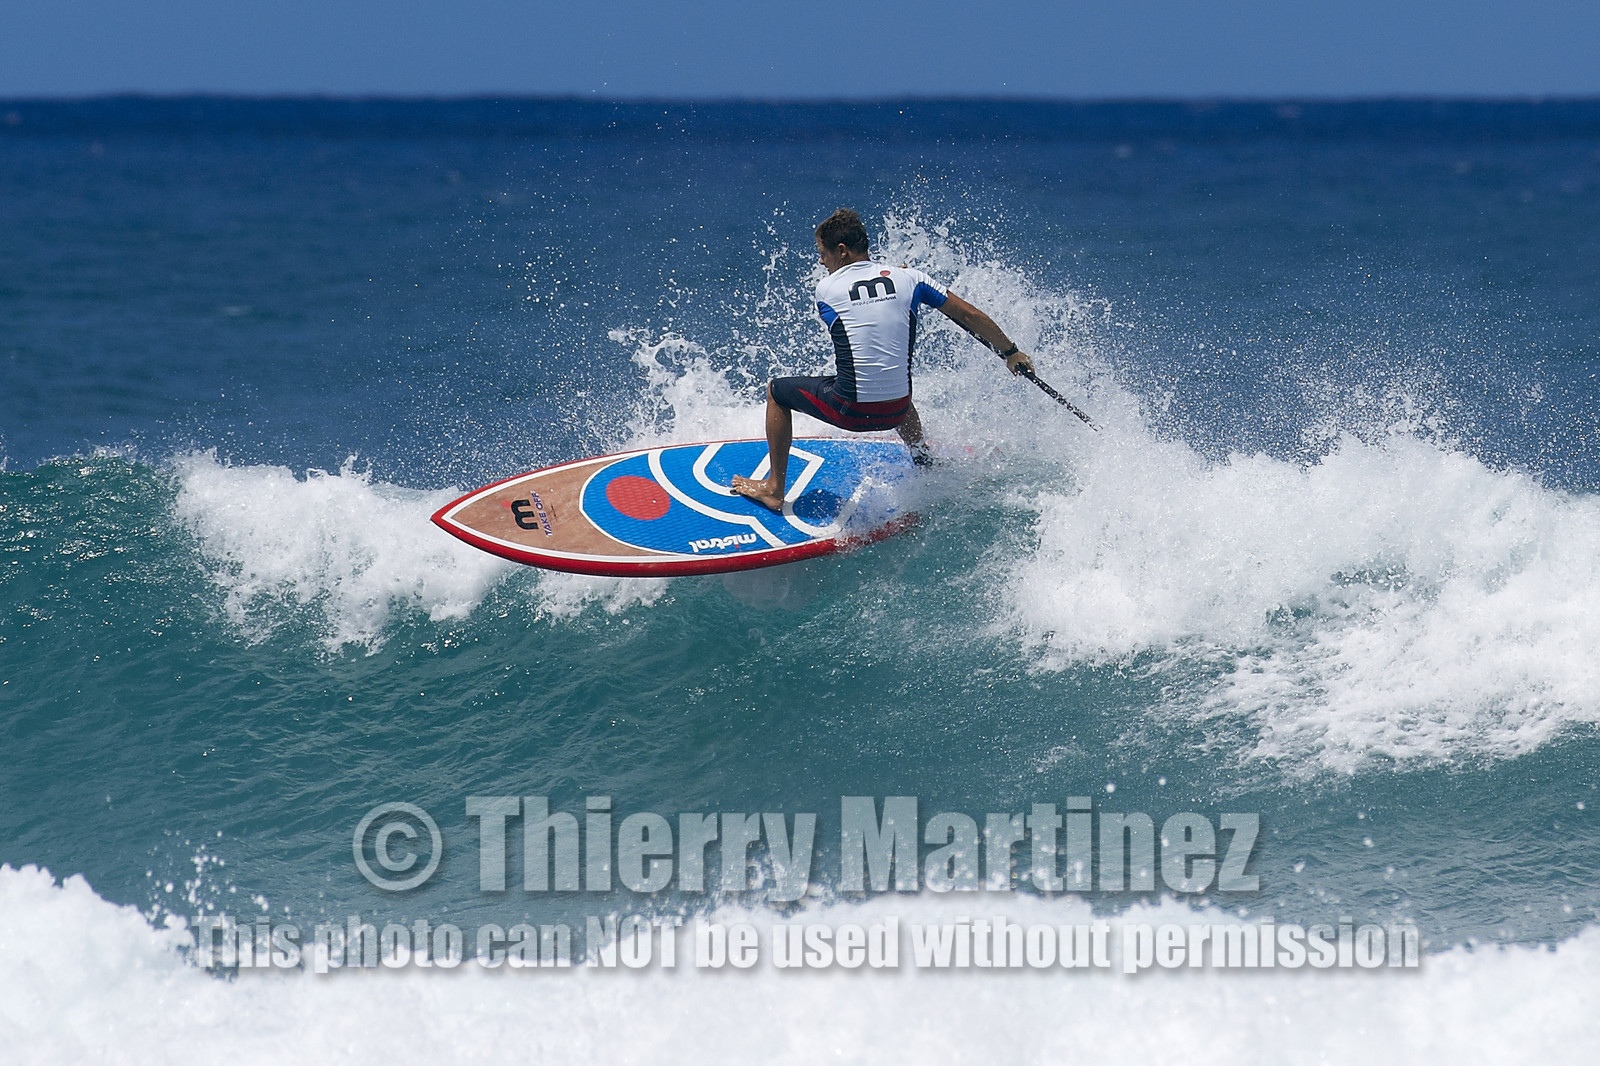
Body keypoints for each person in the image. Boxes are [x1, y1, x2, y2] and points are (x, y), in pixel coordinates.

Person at [731, 208, 1034, 512]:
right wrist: (1011, 353)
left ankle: (773, 489)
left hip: (850, 412)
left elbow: (864, 305)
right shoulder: (911, 279)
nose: (821, 261)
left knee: (777, 391)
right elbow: (969, 315)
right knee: (891, 378)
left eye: (823, 253)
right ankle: (923, 461)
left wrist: (886, 278)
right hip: (897, 410)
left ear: (842, 251)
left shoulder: (825, 290)